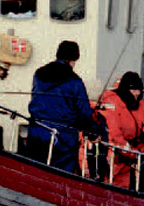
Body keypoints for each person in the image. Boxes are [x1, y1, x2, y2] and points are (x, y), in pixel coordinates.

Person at [25, 40, 103, 173]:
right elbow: (84, 113)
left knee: (35, 170)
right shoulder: (75, 81)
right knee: (61, 174)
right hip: (63, 139)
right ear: (74, 59)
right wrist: (93, 133)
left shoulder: (38, 74)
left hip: (36, 131)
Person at [97, 71, 144, 186]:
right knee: (111, 182)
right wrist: (126, 148)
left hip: (131, 151)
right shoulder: (111, 101)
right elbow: (112, 130)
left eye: (139, 90)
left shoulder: (139, 105)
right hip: (114, 151)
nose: (137, 93)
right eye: (134, 90)